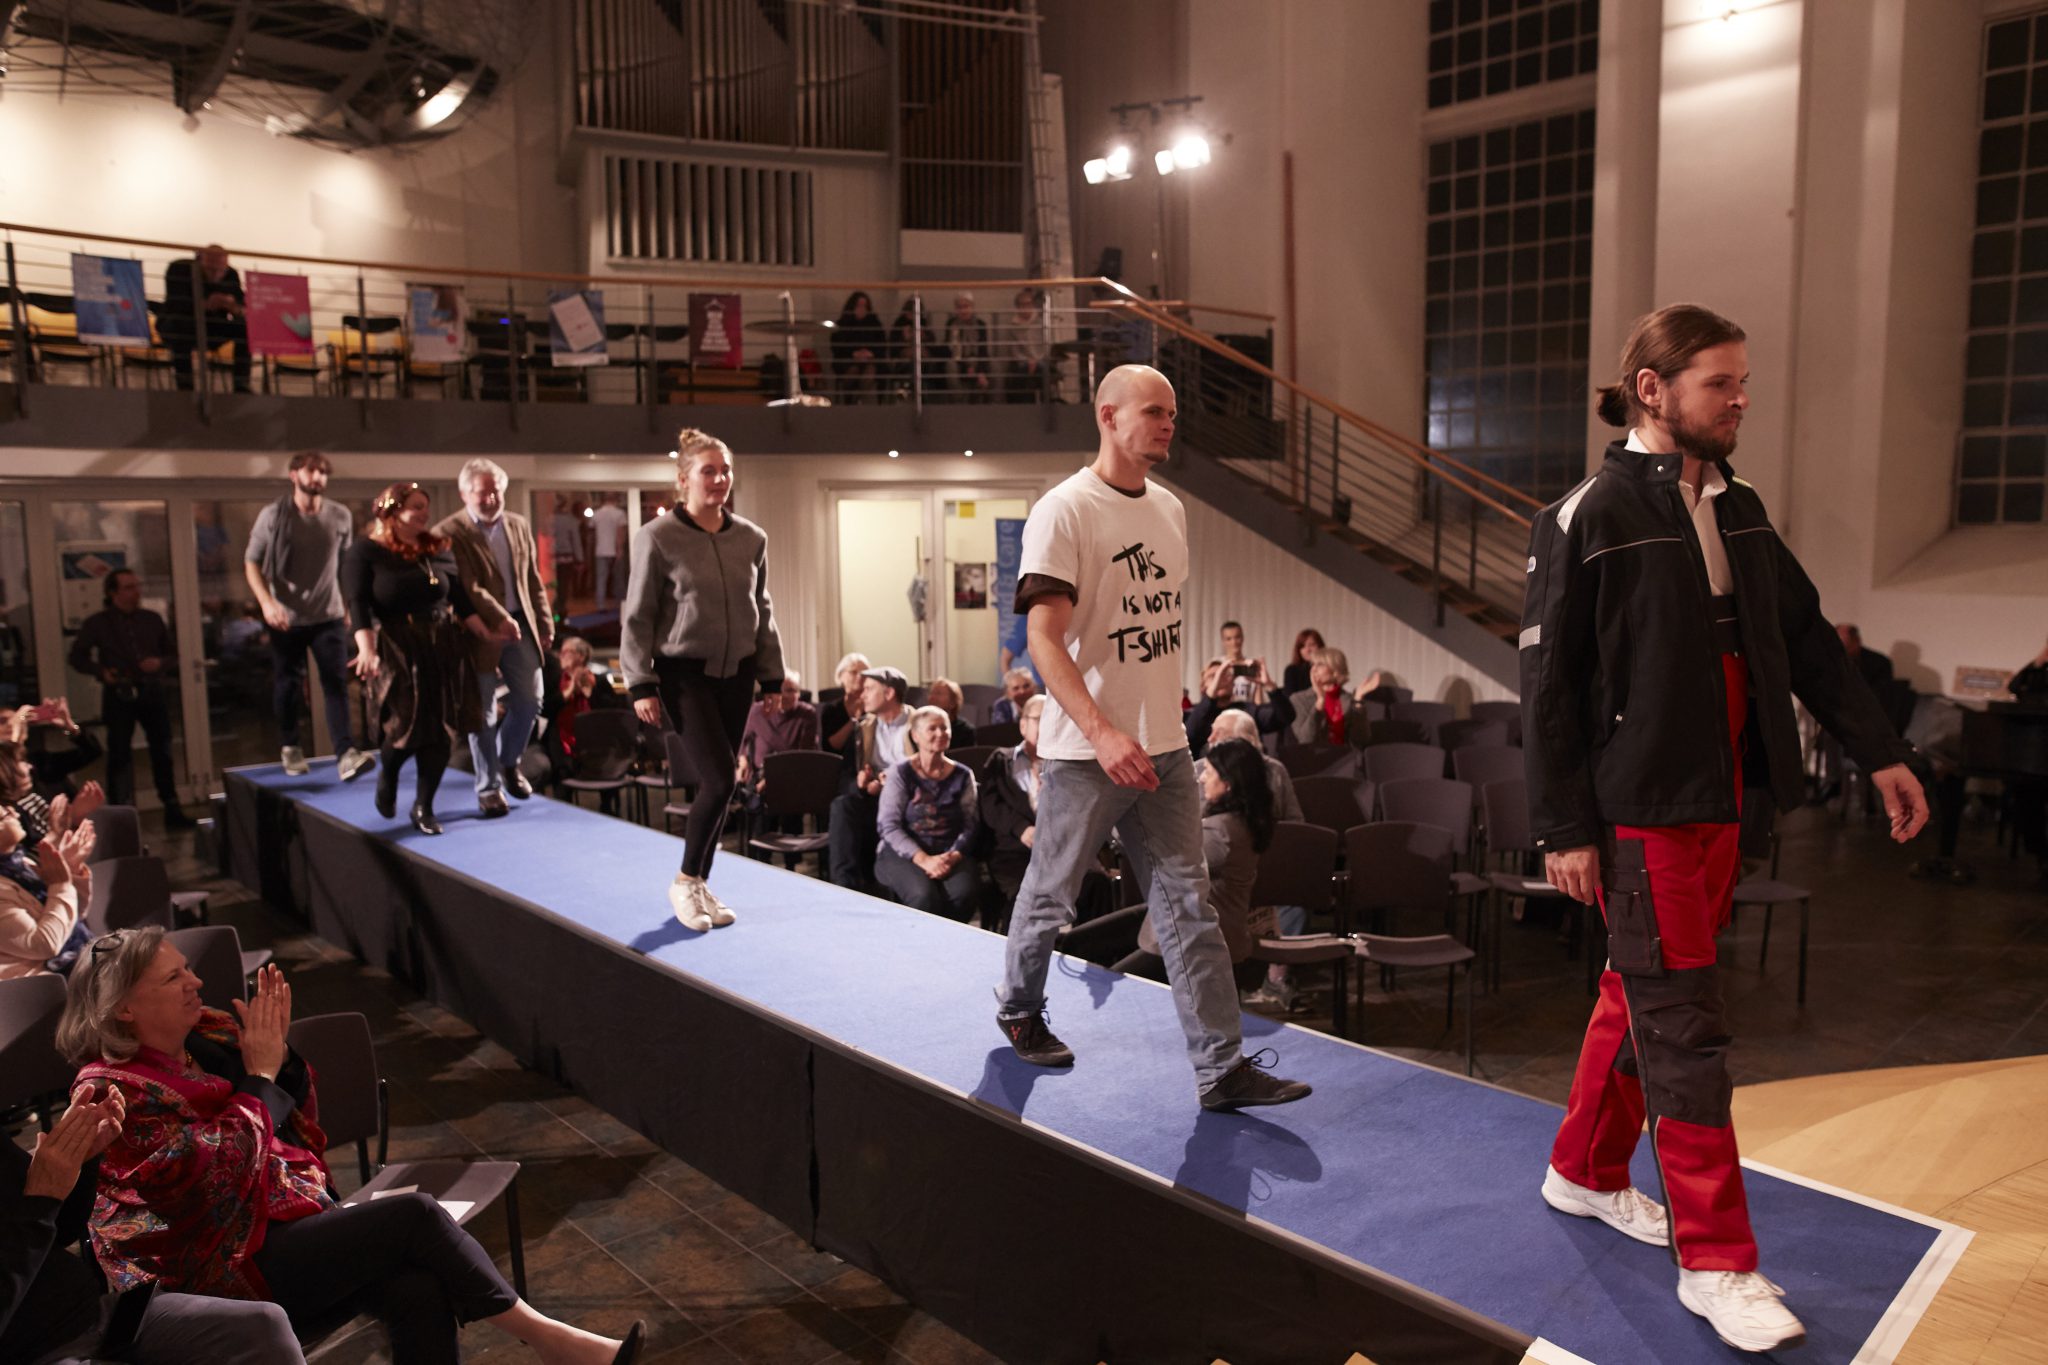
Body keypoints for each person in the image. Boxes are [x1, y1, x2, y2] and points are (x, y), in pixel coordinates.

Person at [1523, 303, 1928, 1353]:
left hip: (1723, 803)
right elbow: (1549, 687)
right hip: (1641, 813)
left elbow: (1807, 642)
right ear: (1652, 388)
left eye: (1742, 381)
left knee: (1639, 994)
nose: (1740, 398)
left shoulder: (1737, 507)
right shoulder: (1586, 515)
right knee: (1683, 1025)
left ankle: (1582, 1168)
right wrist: (1563, 828)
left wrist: (1881, 750)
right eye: (1720, 382)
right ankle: (1715, 1260)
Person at [57, 928, 641, 1365]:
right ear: (124, 1008)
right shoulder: (108, 1092)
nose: (197, 982)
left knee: (415, 1287)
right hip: (203, 1269)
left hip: (268, 1230)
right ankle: (549, 1339)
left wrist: (278, 1064)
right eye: (173, 978)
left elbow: (290, 1115)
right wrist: (260, 1077)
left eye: (187, 969)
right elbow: (210, 1178)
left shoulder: (207, 1035)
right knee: (413, 1216)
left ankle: (555, 1345)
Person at [994, 363, 1309, 1112]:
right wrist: (1103, 733)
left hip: (1165, 747)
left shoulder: (1169, 509)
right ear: (1108, 415)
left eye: (1172, 413)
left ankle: (1220, 1067)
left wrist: (1153, 728)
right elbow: (1043, 641)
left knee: (1189, 906)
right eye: (1153, 411)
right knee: (1051, 893)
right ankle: (1019, 1007)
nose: (1168, 423)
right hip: (1086, 751)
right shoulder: (1065, 510)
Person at [1, 1079, 311, 1365]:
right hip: (33, 1352)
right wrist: (41, 1201)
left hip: (94, 1316)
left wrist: (80, 1161)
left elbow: (61, 1228)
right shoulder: (118, 1078)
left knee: (263, 1326)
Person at [623, 429, 785, 933]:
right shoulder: (657, 537)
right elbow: (638, 614)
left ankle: (699, 883)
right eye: (708, 471)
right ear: (684, 480)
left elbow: (762, 610)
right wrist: (640, 683)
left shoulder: (751, 538)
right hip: (683, 673)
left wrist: (772, 676)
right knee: (720, 780)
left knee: (721, 784)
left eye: (725, 470)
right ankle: (686, 880)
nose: (719, 479)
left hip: (738, 673)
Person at [344, 483, 492, 836]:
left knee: (442, 730)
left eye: (426, 506)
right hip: (398, 644)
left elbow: (459, 598)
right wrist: (366, 649)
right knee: (404, 727)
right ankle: (389, 774)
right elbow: (358, 604)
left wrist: (487, 633)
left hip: (442, 642)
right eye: (416, 507)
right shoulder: (366, 551)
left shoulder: (436, 548)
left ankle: (423, 806)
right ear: (392, 512)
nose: (425, 513)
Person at [243, 451, 373, 783]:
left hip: (328, 614)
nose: (318, 478)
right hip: (286, 616)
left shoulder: (339, 515)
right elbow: (251, 562)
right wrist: (267, 603)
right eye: (311, 471)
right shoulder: (274, 515)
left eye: (323, 472)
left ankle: (345, 753)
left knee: (336, 683)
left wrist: (347, 604)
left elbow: (345, 564)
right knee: (288, 683)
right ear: (294, 475)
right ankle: (290, 746)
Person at [436, 459, 554, 819]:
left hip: (521, 626)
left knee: (530, 700)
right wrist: (500, 620)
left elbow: (532, 579)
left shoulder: (517, 524)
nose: (490, 498)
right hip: (478, 631)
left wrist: (544, 622)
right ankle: (488, 788)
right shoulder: (449, 532)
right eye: (481, 492)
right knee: (483, 714)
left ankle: (508, 761)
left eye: (496, 490)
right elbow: (468, 587)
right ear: (464, 493)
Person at [1116, 738, 1273, 986]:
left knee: (1119, 983)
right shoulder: (1241, 821)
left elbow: (1162, 858)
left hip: (1195, 943)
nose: (1201, 779)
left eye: (1208, 772)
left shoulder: (1220, 833)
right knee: (1095, 943)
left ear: (1228, 783)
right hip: (1204, 933)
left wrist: (1121, 818)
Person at [67, 570, 191, 828]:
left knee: (162, 750)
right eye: (128, 587)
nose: (136, 592)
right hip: (119, 693)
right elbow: (77, 657)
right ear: (113, 593)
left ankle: (171, 806)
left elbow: (172, 654)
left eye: (136, 586)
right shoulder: (98, 623)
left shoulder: (151, 619)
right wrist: (101, 672)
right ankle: (121, 814)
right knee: (119, 754)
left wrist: (159, 663)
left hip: (151, 691)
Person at [873, 706, 982, 920]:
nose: (940, 733)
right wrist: (923, 859)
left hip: (949, 851)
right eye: (932, 728)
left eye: (944, 728)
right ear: (915, 735)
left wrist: (952, 856)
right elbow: (889, 826)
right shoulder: (900, 772)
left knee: (963, 894)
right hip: (903, 851)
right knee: (923, 897)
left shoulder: (963, 774)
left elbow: (970, 824)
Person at [827, 666, 914, 891]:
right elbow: (845, 776)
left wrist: (892, 783)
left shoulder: (919, 724)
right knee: (842, 806)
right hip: (872, 799)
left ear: (889, 693)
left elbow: (932, 769)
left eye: (868, 689)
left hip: (910, 803)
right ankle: (843, 887)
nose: (862, 695)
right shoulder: (862, 728)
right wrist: (860, 783)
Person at [0, 809, 92, 978]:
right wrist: (61, 886)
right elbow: (43, 945)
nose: (17, 814)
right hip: (46, 984)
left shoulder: (20, 863)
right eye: (5, 815)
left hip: (79, 963)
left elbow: (74, 916)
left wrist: (72, 870)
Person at [537, 635, 626, 789]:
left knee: (605, 757)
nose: (561, 655)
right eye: (561, 652)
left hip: (595, 744)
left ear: (581, 656)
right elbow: (545, 709)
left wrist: (590, 693)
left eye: (566, 652)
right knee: (559, 764)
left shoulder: (599, 681)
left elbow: (612, 715)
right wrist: (569, 691)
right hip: (560, 744)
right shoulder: (556, 680)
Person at [160, 244, 250, 394]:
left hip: (212, 326)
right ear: (200, 261)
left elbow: (242, 308)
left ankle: (241, 383)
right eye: (211, 270)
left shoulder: (231, 275)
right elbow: (176, 304)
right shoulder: (179, 269)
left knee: (245, 329)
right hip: (180, 324)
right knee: (180, 326)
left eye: (220, 270)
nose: (216, 275)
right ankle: (185, 383)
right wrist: (205, 304)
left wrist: (232, 306)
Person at [3, 696, 105, 804]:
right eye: (2, 721)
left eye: (17, 720)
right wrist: (14, 735)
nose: (11, 724)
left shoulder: (40, 761)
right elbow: (7, 768)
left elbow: (92, 751)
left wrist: (69, 726)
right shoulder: (5, 770)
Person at [1287, 647, 1369, 747]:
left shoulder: (1349, 700)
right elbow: (1306, 739)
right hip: (1314, 755)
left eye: (1320, 664)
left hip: (1345, 755)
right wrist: (1320, 702)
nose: (1313, 669)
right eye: (1312, 665)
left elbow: (1361, 740)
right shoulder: (1299, 699)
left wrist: (1358, 701)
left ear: (1335, 669)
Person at [830, 291, 887, 404]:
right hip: (848, 361)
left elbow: (882, 344)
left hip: (871, 361)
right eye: (858, 305)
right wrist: (853, 354)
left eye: (864, 306)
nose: (862, 309)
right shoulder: (843, 323)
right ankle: (850, 402)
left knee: (870, 372)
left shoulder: (874, 323)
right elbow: (837, 347)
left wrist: (870, 353)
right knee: (853, 371)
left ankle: (860, 401)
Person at [1000, 287, 1050, 403]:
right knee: (1017, 376)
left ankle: (1045, 404)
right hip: (1022, 362)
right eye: (1022, 305)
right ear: (1017, 307)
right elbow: (1015, 350)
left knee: (1043, 373)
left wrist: (1036, 360)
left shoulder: (1041, 322)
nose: (1025, 308)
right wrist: (1027, 361)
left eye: (1028, 304)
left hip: (1040, 360)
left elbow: (1047, 345)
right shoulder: (1013, 326)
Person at [942, 292, 993, 403]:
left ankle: (996, 405)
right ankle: (960, 403)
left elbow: (983, 350)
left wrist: (980, 371)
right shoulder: (952, 324)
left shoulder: (980, 324)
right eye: (960, 307)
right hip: (959, 361)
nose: (963, 310)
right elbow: (951, 351)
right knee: (950, 365)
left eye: (966, 306)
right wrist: (967, 367)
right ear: (956, 309)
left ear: (972, 307)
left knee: (995, 365)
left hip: (977, 360)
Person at [818, 652, 870, 755]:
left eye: (864, 673)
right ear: (841, 676)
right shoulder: (831, 709)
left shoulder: (874, 707)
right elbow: (830, 747)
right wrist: (854, 720)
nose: (860, 677)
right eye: (853, 672)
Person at [589, 494, 628, 611]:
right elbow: (620, 533)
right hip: (614, 550)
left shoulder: (596, 514)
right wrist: (620, 548)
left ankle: (600, 605)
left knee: (601, 579)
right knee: (618, 579)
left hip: (600, 550)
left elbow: (592, 532)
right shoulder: (619, 513)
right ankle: (620, 605)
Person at [923, 676, 977, 745]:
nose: (932, 697)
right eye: (931, 693)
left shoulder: (966, 732)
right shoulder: (921, 727)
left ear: (953, 702)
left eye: (938, 693)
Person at [1280, 627, 1326, 698]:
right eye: (1303, 646)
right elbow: (1290, 698)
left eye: (1312, 645)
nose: (1307, 650)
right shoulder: (1292, 670)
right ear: (1299, 650)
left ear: (1320, 646)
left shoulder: (1328, 668)